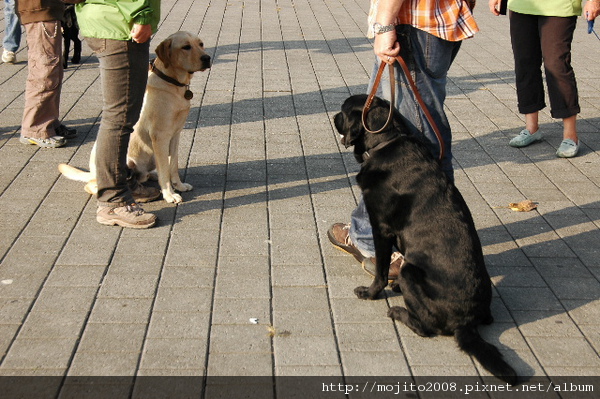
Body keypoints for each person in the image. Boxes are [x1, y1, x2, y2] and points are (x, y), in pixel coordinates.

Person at [328, 0, 478, 279]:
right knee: (414, 136)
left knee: (418, 145)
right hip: (435, 20)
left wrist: (385, 24)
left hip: (410, 23)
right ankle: (375, 230)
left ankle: (424, 248)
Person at [75, 0, 161, 228]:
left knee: (121, 116)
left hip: (112, 20)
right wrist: (142, 15)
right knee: (119, 118)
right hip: (121, 24)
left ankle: (123, 182)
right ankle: (112, 201)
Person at [489, 0, 600, 158]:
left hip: (559, 7)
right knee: (524, 64)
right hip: (521, 5)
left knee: (557, 66)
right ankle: (531, 128)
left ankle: (570, 136)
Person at [16, 0, 77, 148]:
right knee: (44, 73)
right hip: (40, 11)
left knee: (52, 72)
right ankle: (35, 128)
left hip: (46, 10)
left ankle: (49, 122)